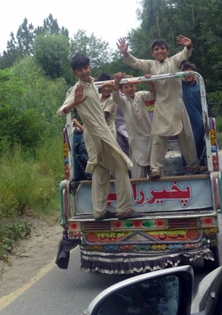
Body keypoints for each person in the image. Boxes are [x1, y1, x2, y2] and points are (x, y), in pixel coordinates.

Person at [57, 54, 142, 220]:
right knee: (121, 166)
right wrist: (75, 102)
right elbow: (60, 112)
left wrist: (116, 81)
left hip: (95, 134)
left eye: (85, 68)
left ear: (90, 67)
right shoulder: (77, 90)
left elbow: (106, 87)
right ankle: (124, 209)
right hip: (99, 134)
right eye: (79, 70)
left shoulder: (92, 85)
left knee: (100, 170)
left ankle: (99, 211)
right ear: (74, 73)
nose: (83, 72)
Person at [117, 35, 200, 179]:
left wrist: (188, 46)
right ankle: (155, 169)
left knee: (186, 136)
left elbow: (184, 54)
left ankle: (194, 166)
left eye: (162, 48)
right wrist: (125, 53)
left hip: (177, 105)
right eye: (156, 49)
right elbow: (135, 62)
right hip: (161, 106)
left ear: (167, 51)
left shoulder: (174, 60)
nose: (159, 51)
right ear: (152, 53)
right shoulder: (150, 65)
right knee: (158, 138)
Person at [112, 73, 155, 178]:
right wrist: (117, 82)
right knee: (139, 174)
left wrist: (149, 81)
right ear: (122, 90)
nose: (129, 89)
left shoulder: (140, 95)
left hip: (149, 137)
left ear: (135, 86)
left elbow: (152, 94)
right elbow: (115, 97)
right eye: (126, 87)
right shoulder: (123, 102)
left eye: (131, 86)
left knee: (154, 169)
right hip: (135, 140)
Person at [181, 62, 206, 165]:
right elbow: (174, 74)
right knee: (185, 141)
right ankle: (186, 165)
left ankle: (199, 164)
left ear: (195, 73)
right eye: (185, 73)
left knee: (198, 140)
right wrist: (182, 61)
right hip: (185, 118)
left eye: (190, 72)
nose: (188, 75)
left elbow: (204, 105)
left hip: (197, 118)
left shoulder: (200, 86)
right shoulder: (182, 86)